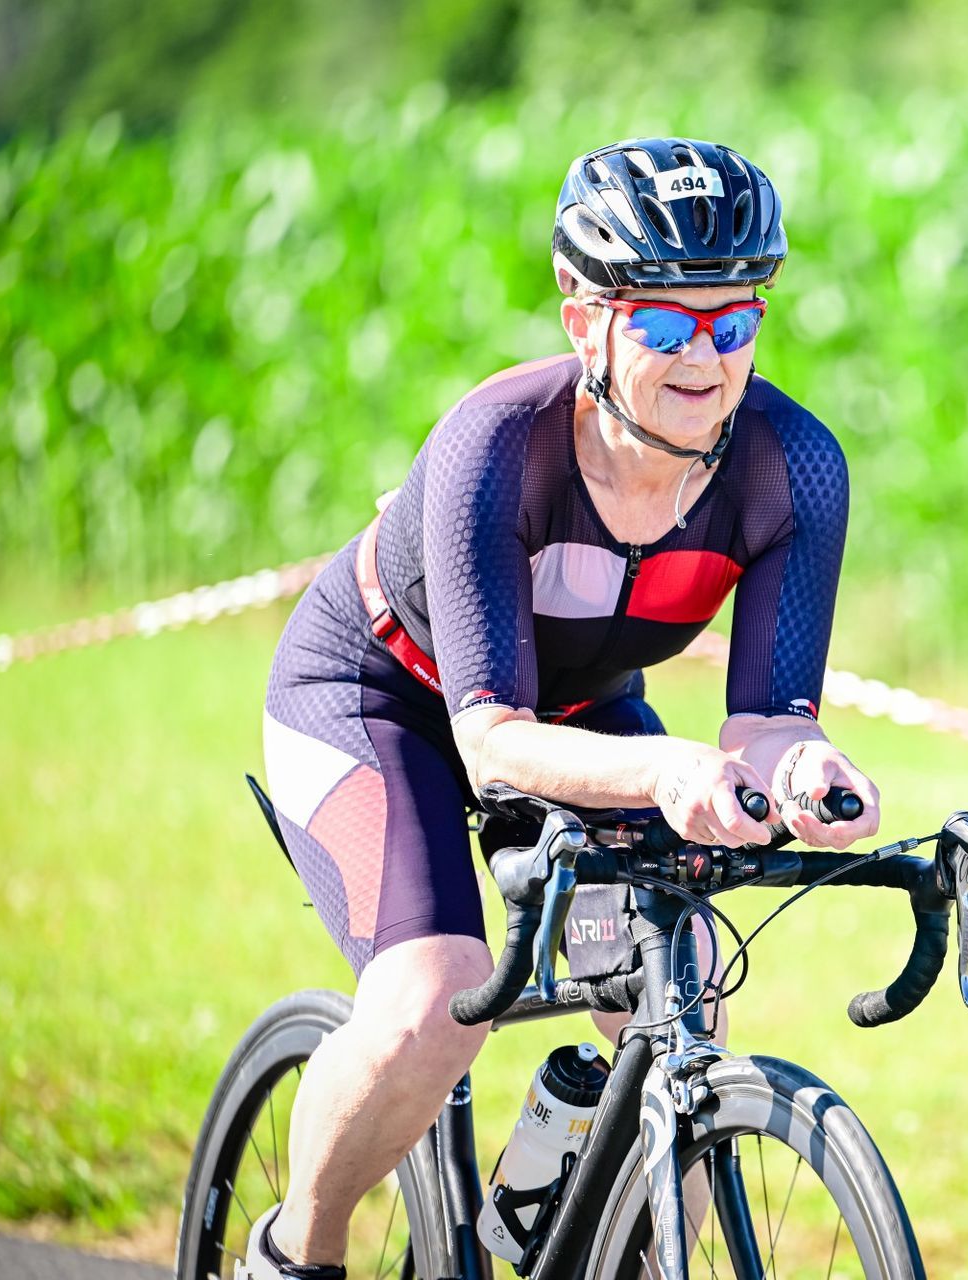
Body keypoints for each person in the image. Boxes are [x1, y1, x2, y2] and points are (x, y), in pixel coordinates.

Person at [248, 136, 878, 1278]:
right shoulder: (498, 443)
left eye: (734, 322)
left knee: (681, 991)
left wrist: (805, 768)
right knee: (435, 999)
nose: (706, 358)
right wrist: (668, 771)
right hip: (380, 693)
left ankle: (580, 1190)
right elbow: (491, 742)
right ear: (586, 318)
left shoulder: (795, 467)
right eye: (666, 325)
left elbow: (767, 718)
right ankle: (295, 1251)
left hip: (579, 712)